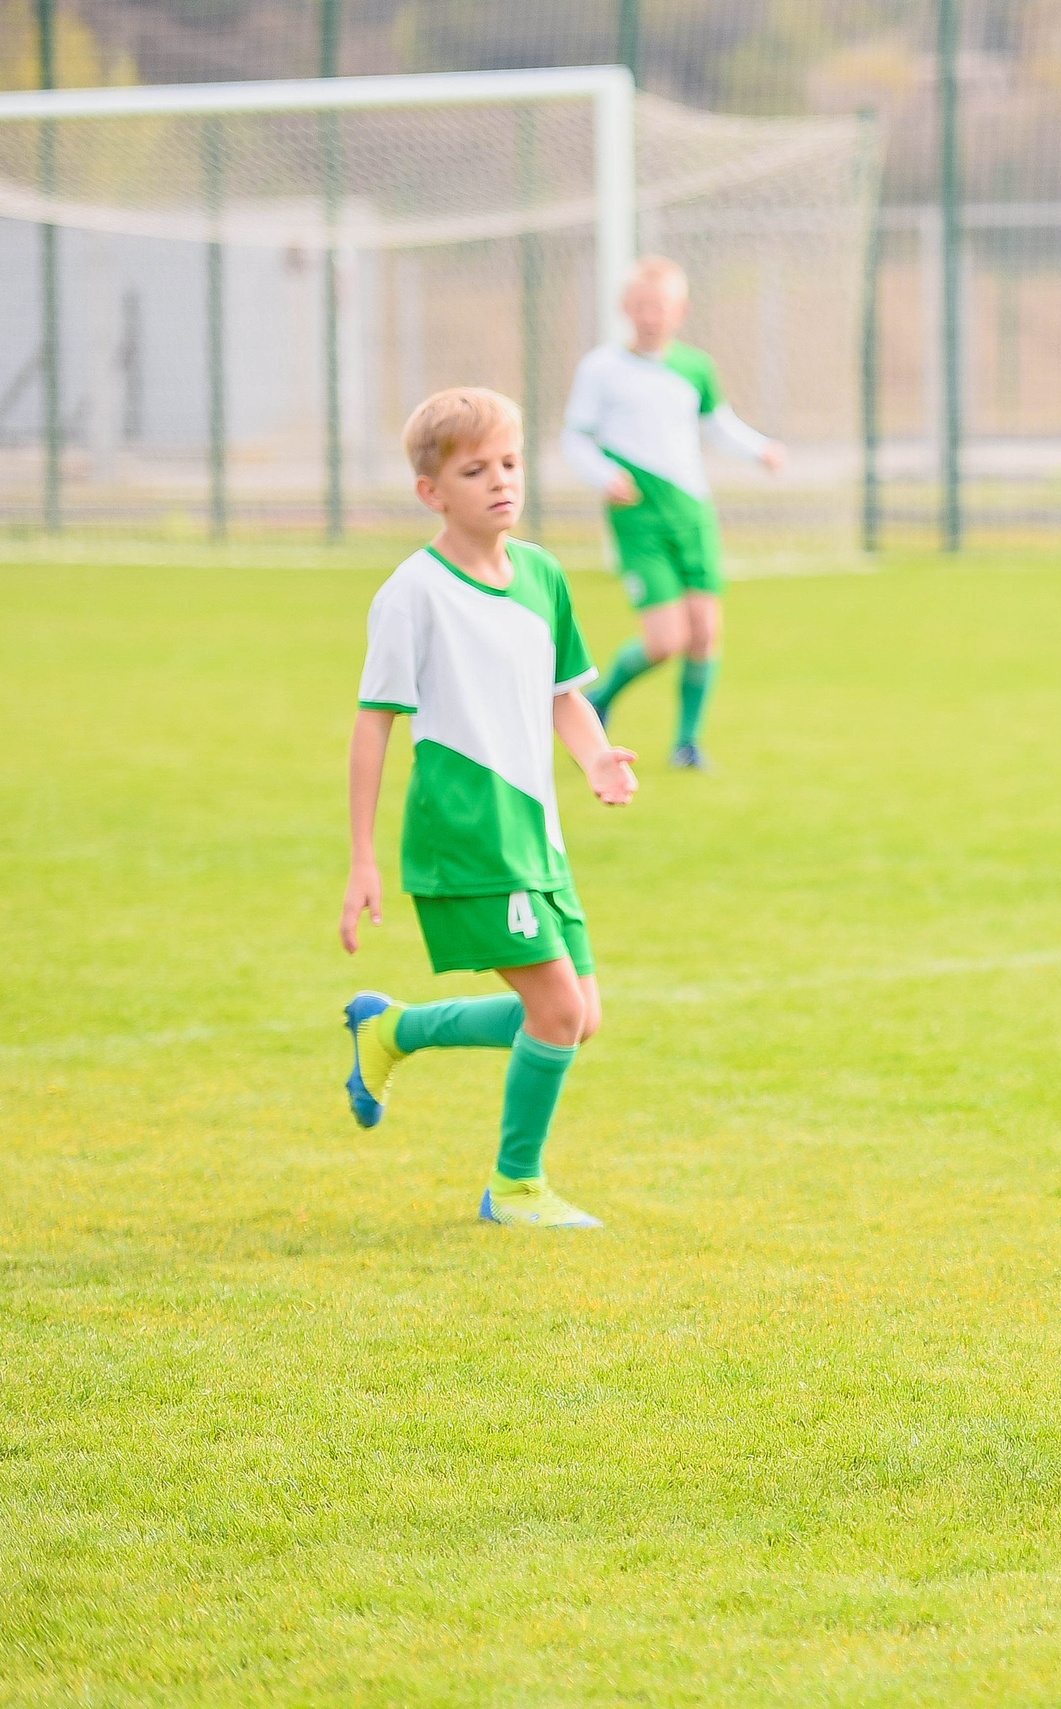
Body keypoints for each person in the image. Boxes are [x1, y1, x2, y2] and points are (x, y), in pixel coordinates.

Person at [338, 387, 639, 1230]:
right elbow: (373, 727)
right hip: (469, 832)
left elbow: (565, 695)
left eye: (509, 463)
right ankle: (514, 1187)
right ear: (432, 491)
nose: (500, 482)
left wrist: (597, 757)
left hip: (535, 831)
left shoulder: (542, 573)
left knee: (580, 1018)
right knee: (557, 1011)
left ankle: (391, 1030)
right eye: (475, 471)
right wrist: (363, 856)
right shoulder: (413, 593)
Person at [562, 256, 787, 770]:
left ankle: (687, 744)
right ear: (626, 308)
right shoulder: (601, 369)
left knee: (706, 632)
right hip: (639, 516)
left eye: (660, 307)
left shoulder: (695, 367)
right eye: (641, 306)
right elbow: (574, 437)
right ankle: (601, 700)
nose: (650, 316)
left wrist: (760, 450)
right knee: (666, 641)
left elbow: (718, 425)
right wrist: (604, 476)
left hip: (693, 513)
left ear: (680, 310)